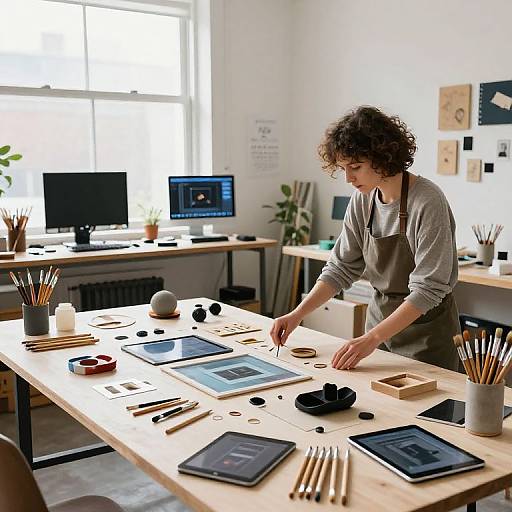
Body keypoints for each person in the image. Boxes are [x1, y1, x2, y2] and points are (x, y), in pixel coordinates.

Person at [270, 106, 460, 371]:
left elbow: (429, 289)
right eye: (343, 168)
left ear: (382, 157)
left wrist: (372, 338)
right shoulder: (363, 199)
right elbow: (340, 269)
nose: (348, 178)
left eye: (355, 167)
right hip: (378, 329)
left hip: (426, 336)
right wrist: (296, 314)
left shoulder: (428, 201)